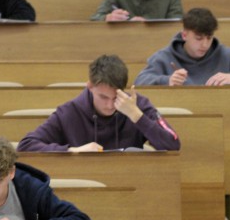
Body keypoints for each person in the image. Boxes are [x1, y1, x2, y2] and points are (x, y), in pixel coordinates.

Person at [18, 54, 181, 154]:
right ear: (90, 86)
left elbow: (173, 144)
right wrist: (73, 151)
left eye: (115, 97)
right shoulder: (69, 112)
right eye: (103, 97)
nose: (110, 105)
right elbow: (26, 145)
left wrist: (136, 116)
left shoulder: (138, 106)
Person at [134, 7, 230, 97]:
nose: (205, 44)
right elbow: (138, 83)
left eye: (209, 38)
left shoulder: (227, 55)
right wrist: (167, 81)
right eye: (198, 38)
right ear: (184, 35)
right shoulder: (164, 56)